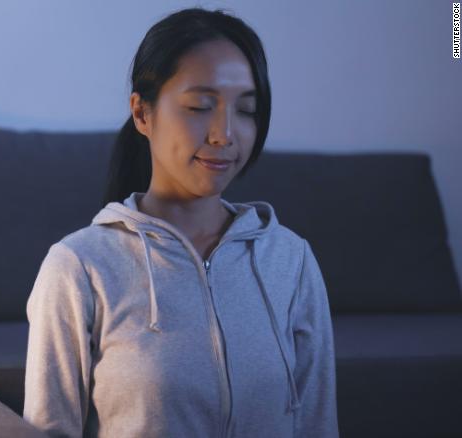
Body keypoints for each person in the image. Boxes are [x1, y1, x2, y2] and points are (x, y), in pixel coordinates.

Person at [23, 7, 338, 438]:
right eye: (199, 106)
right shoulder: (78, 266)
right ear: (142, 114)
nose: (224, 134)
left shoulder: (290, 259)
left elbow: (318, 424)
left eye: (246, 110)